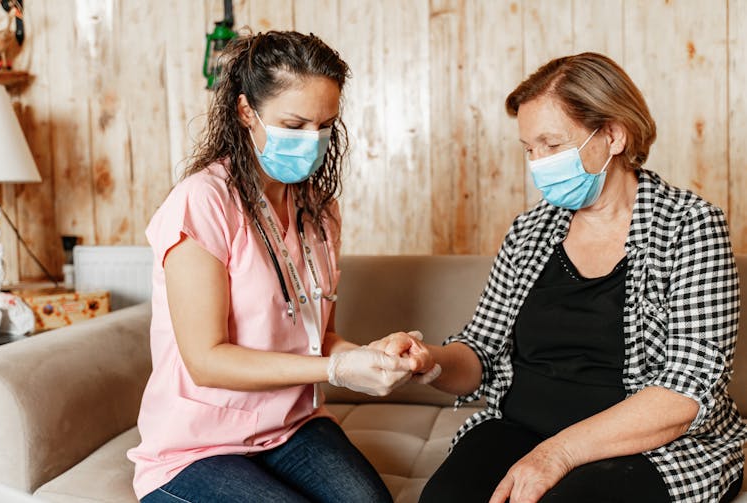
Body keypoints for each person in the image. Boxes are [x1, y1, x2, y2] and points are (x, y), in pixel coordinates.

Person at [373, 52, 747, 502]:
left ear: (612, 134)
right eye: (529, 148)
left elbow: (686, 392)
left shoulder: (690, 226)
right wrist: (427, 360)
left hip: (641, 448)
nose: (537, 163)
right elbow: (481, 352)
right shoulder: (529, 230)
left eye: (551, 145)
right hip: (519, 428)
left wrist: (556, 454)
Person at [127, 30, 436, 502]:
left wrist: (371, 355)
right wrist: (335, 369)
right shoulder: (202, 203)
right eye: (294, 124)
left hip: (292, 425)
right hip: (199, 445)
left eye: (324, 125)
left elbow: (315, 338)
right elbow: (206, 360)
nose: (312, 143)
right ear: (246, 111)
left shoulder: (319, 209)